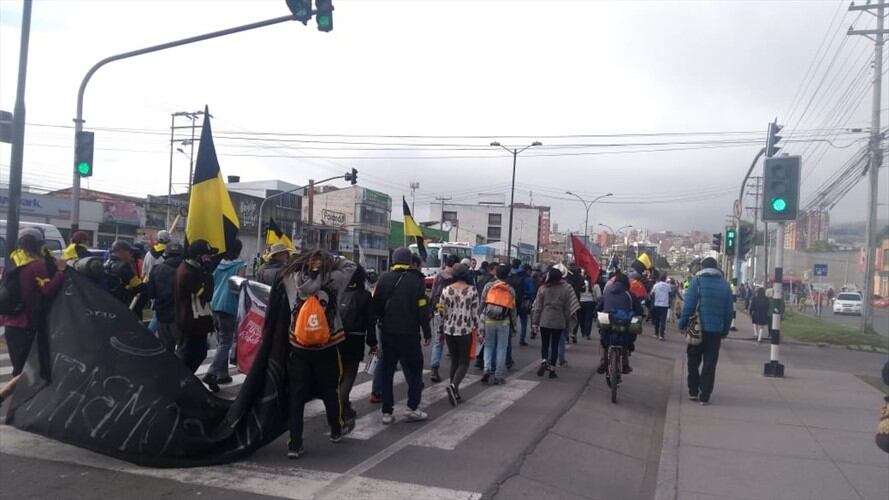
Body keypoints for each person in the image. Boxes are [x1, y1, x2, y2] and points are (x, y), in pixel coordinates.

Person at [283, 250, 356, 458]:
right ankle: (335, 429)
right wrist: (332, 260)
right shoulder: (334, 278)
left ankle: (294, 444)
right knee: (330, 390)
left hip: (298, 345)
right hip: (327, 344)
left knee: (297, 395)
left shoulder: (292, 278)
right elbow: (351, 266)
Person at [0, 228, 66, 408]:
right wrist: (60, 271)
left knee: (20, 366)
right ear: (39, 244)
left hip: (11, 322)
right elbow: (48, 289)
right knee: (30, 366)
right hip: (27, 322)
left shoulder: (12, 262)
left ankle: (17, 403)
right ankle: (9, 400)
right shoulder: (36, 265)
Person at [372, 247, 432, 425]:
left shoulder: (383, 278)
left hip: (388, 333)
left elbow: (376, 308)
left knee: (387, 373)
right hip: (410, 334)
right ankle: (412, 408)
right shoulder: (417, 281)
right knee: (414, 371)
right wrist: (427, 332)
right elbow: (422, 308)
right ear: (410, 262)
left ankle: (387, 412)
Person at [678, 257, 734, 406]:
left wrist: (682, 324)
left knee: (693, 360)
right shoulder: (725, 286)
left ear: (702, 267)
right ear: (716, 269)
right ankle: (705, 395)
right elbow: (729, 312)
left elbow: (689, 307)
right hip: (715, 331)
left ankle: (693, 390)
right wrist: (725, 330)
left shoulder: (696, 282)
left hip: (697, 329)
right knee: (710, 363)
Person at [204, 239, 246, 392]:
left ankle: (222, 374)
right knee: (226, 342)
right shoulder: (240, 265)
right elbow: (239, 287)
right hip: (229, 305)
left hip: (215, 304)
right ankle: (212, 372)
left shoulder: (219, 263)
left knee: (221, 340)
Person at [339, 265, 377, 423]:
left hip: (336, 338)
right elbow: (370, 322)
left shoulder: (339, 293)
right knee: (349, 373)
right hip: (356, 338)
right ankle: (342, 407)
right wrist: (372, 343)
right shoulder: (365, 296)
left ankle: (344, 405)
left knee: (339, 373)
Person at [439, 263, 479, 405]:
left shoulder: (446, 290)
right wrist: (479, 331)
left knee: (454, 361)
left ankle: (454, 392)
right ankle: (453, 386)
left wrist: (440, 328)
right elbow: (475, 313)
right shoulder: (472, 291)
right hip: (464, 330)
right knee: (464, 362)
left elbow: (441, 312)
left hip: (449, 329)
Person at [174, 240, 217, 373]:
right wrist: (209, 276)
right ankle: (180, 383)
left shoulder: (191, 269)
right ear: (198, 256)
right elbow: (206, 295)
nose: (209, 258)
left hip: (196, 322)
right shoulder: (188, 273)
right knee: (190, 355)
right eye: (207, 255)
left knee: (198, 353)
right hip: (191, 323)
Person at [531, 267, 578, 379]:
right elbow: (567, 309)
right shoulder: (565, 291)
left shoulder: (542, 289)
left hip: (545, 320)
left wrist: (535, 322)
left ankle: (544, 361)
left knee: (545, 343)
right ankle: (552, 369)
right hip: (559, 320)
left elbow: (538, 307)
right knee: (555, 345)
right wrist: (567, 324)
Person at [140, 243, 184, 352]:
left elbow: (151, 293)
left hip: (162, 314)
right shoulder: (185, 271)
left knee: (166, 348)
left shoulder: (156, 269)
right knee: (183, 350)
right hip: (180, 315)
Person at [597, 270, 643, 374]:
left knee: (604, 340)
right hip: (624, 322)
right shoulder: (630, 294)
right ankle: (625, 364)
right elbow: (639, 310)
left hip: (608, 320)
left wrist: (598, 311)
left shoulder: (607, 291)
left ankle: (603, 362)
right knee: (627, 339)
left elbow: (599, 305)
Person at [480, 264, 517, 385]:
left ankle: (486, 369)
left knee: (488, 346)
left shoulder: (488, 286)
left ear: (496, 274)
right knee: (502, 348)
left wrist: (479, 317)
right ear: (507, 275)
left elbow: (482, 303)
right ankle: (498, 375)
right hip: (503, 322)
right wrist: (514, 326)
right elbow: (512, 309)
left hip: (488, 320)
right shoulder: (511, 290)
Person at [429, 254, 459, 383]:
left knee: (438, 341)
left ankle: (434, 369)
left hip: (438, 312)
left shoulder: (438, 276)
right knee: (453, 341)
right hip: (452, 313)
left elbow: (432, 294)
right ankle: (455, 370)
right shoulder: (456, 278)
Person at [103, 240, 145, 307]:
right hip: (120, 303)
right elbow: (138, 287)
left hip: (107, 301)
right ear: (121, 251)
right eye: (128, 251)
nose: (130, 254)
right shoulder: (123, 266)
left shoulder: (106, 263)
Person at [509, 260, 536, 347]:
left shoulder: (512, 276)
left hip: (512, 301)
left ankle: (509, 337)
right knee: (524, 321)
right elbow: (532, 291)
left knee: (512, 320)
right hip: (524, 301)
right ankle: (522, 339)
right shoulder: (527, 278)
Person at [578, 270, 601, 340]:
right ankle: (587, 334)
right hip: (590, 302)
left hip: (581, 302)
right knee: (588, 319)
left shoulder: (581, 283)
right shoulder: (595, 285)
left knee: (581, 318)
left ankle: (582, 332)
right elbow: (599, 296)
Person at [650, 274, 672, 341]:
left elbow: (652, 293)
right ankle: (661, 335)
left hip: (657, 304)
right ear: (665, 279)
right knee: (663, 320)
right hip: (664, 305)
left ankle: (656, 333)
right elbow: (670, 294)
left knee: (657, 319)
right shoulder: (668, 286)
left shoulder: (656, 285)